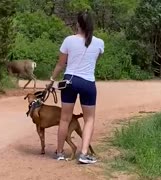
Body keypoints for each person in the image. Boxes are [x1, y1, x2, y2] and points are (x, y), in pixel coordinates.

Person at [47, 11, 104, 164]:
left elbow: (61, 64)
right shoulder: (99, 43)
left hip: (70, 81)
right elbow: (95, 60)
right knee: (89, 119)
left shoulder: (69, 40)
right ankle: (84, 154)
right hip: (88, 83)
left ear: (77, 24)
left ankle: (59, 152)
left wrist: (52, 80)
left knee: (64, 118)